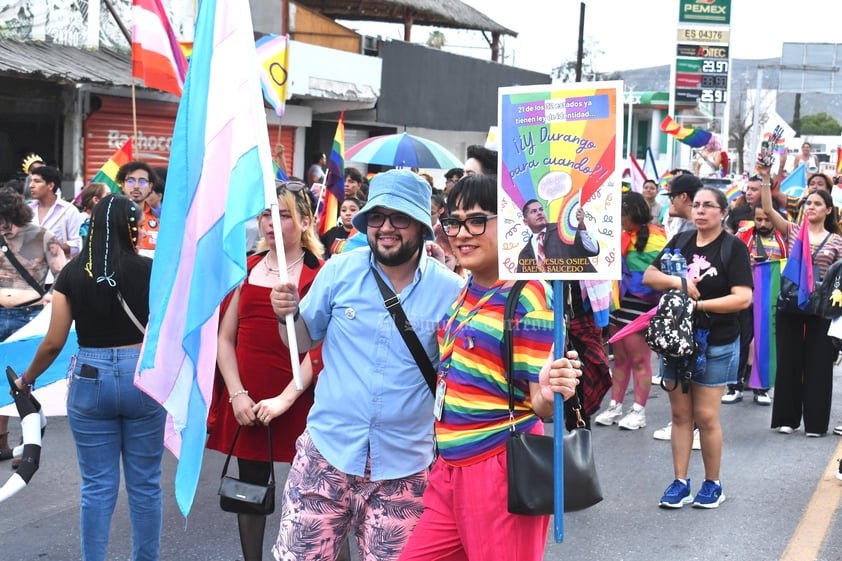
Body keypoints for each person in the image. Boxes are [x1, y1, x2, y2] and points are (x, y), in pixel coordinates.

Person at [268, 169, 464, 561]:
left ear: (422, 226)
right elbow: (302, 341)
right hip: (326, 454)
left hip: (405, 468)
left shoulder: (451, 290)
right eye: (376, 217)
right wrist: (285, 316)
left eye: (399, 218)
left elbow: (463, 378)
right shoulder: (339, 271)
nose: (385, 228)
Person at [397, 174, 582, 561]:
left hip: (499, 468)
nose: (462, 233)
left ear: (511, 224)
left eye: (478, 220)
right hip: (449, 467)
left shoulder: (529, 297)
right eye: (454, 221)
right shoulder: (468, 285)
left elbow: (542, 405)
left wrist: (550, 390)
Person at [13, 194, 166, 560]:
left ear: (91, 225)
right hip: (142, 377)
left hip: (90, 377)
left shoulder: (72, 272)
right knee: (146, 485)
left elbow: (54, 342)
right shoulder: (150, 270)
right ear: (133, 227)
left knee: (97, 487)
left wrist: (27, 379)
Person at [206, 181, 324, 561]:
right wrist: (238, 395)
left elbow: (321, 350)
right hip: (250, 403)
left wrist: (286, 399)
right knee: (249, 495)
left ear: (306, 221)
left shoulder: (320, 274)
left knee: (320, 502)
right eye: (265, 215)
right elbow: (225, 340)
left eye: (283, 214)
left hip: (306, 402)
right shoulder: (245, 270)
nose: (271, 223)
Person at [643, 186, 752, 508]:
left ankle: (712, 483)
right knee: (680, 416)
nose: (700, 211)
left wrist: (699, 306)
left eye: (708, 206)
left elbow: (743, 297)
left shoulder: (733, 248)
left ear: (723, 212)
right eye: (697, 205)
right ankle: (680, 482)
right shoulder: (680, 241)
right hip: (676, 341)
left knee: (705, 417)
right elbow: (650, 274)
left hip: (716, 341)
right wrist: (679, 284)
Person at [759, 162, 842, 436]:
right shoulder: (794, 231)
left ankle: (816, 423)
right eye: (808, 203)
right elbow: (769, 209)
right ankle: (787, 418)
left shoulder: (837, 241)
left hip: (821, 308)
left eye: (818, 203)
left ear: (828, 210)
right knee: (789, 360)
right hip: (790, 304)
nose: (812, 207)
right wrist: (765, 176)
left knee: (819, 363)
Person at [0, 187, 66, 461]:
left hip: (30, 317)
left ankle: (29, 446)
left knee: (26, 382)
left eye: (6, 221)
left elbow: (63, 273)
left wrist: (51, 297)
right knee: (1, 383)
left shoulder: (42, 237)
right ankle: (2, 443)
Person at [595, 192, 665, 431]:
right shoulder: (619, 236)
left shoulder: (657, 237)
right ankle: (615, 406)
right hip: (617, 304)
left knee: (639, 360)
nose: (620, 219)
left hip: (640, 307)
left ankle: (638, 411)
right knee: (620, 359)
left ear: (635, 212)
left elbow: (653, 277)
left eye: (623, 214)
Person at [725, 205, 789, 405]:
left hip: (770, 298)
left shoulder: (784, 239)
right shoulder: (742, 235)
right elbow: (728, 259)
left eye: (767, 219)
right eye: (759, 219)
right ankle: (734, 386)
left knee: (766, 343)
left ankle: (762, 389)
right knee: (740, 342)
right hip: (744, 296)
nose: (763, 224)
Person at [516, 199, 599, 273]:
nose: (539, 213)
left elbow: (593, 250)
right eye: (533, 211)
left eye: (541, 209)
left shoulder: (563, 229)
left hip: (577, 288)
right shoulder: (524, 255)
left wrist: (581, 226)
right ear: (525, 221)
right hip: (549, 290)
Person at [28, 165, 83, 259]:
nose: (31, 185)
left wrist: (51, 248)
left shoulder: (69, 211)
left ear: (50, 186)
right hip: (30, 269)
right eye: (31, 181)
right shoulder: (28, 209)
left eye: (37, 181)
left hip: (57, 270)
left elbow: (76, 245)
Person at [116, 162, 160, 258]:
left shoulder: (160, 219)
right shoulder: (113, 216)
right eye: (130, 181)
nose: (136, 186)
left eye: (142, 181)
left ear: (150, 187)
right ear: (122, 185)